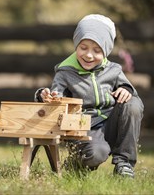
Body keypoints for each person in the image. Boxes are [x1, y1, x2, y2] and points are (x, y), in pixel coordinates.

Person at [34, 14, 144, 178]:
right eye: (83, 48)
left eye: (97, 50)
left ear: (106, 51)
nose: (89, 55)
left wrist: (125, 89)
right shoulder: (65, 72)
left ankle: (124, 163)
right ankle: (77, 162)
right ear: (76, 45)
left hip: (112, 123)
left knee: (133, 103)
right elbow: (56, 98)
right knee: (97, 154)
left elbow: (129, 89)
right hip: (85, 128)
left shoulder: (113, 70)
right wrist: (44, 95)